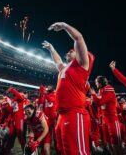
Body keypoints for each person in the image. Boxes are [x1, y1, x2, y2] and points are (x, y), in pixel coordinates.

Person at [42, 22, 95, 155]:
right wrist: (51, 49)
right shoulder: (66, 68)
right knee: (62, 150)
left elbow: (78, 38)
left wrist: (64, 26)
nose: (69, 51)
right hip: (62, 115)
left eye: (72, 50)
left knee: (77, 152)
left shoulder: (82, 65)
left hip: (74, 113)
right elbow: (58, 62)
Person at [90, 76, 122, 155]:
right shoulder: (101, 90)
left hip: (112, 118)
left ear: (101, 82)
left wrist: (94, 95)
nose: (96, 84)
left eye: (97, 82)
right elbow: (99, 105)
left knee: (115, 141)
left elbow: (100, 102)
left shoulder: (108, 88)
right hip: (104, 118)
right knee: (108, 140)